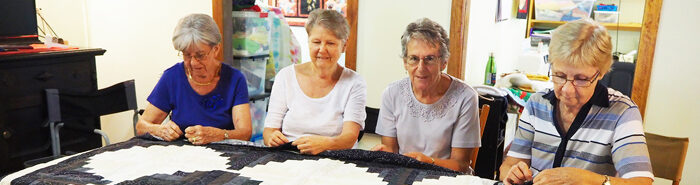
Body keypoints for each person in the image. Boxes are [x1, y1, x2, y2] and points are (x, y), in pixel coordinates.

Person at [499, 19, 653, 185]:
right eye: (560, 75)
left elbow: (641, 182)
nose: (567, 90)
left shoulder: (622, 112)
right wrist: (512, 174)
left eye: (581, 79)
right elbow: (510, 165)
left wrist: (588, 180)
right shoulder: (537, 103)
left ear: (600, 73)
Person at [371, 18, 480, 173]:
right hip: (403, 174)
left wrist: (429, 162)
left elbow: (461, 165)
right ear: (405, 62)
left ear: (444, 62)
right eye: (414, 59)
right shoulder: (391, 93)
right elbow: (391, 151)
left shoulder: (465, 97)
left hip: (447, 177)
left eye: (429, 59)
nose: (421, 68)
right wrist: (382, 154)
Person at [136, 14, 252, 145]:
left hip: (224, 154)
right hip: (182, 154)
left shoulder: (235, 79)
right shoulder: (172, 77)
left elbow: (245, 133)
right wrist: (160, 130)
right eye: (186, 55)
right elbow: (141, 126)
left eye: (200, 55)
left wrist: (218, 135)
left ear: (216, 49)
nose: (193, 63)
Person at [262, 9, 366, 155]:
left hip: (335, 159)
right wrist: (272, 138)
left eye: (330, 43)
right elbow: (269, 131)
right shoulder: (285, 77)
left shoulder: (354, 83)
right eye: (316, 42)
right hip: (288, 156)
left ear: (344, 45)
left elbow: (349, 138)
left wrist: (324, 144)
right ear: (308, 41)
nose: (322, 50)